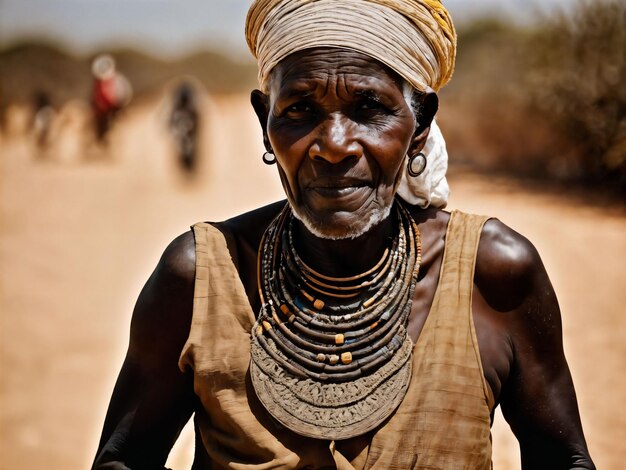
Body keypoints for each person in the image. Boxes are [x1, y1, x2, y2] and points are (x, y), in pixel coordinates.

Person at [92, 1, 595, 469]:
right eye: (299, 110)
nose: (334, 145)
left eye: (369, 107)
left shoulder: (495, 275)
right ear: (263, 119)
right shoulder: (200, 277)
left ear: (419, 124)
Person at [91, 54, 133, 141]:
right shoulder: (98, 84)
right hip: (103, 112)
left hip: (115, 108)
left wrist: (118, 104)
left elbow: (123, 94)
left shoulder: (117, 80)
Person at [169, 83, 200, 174]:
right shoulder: (177, 106)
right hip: (183, 130)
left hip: (188, 129)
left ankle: (189, 166)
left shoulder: (192, 107)